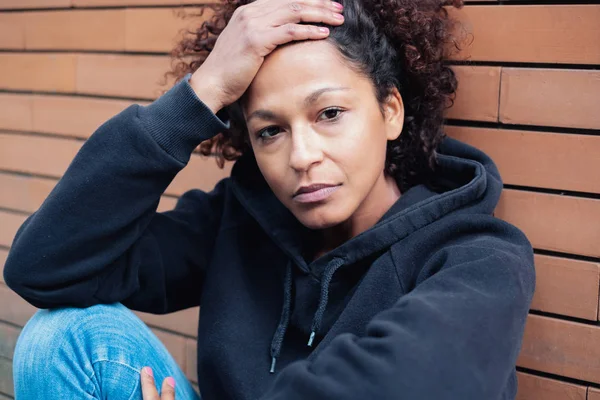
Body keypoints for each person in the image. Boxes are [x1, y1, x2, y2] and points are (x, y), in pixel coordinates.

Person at [3, 0, 536, 398]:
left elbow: (410, 384)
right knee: (62, 337)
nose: (302, 156)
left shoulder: (478, 256)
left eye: (329, 114)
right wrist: (201, 93)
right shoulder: (244, 219)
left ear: (390, 111)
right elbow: (46, 268)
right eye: (270, 131)